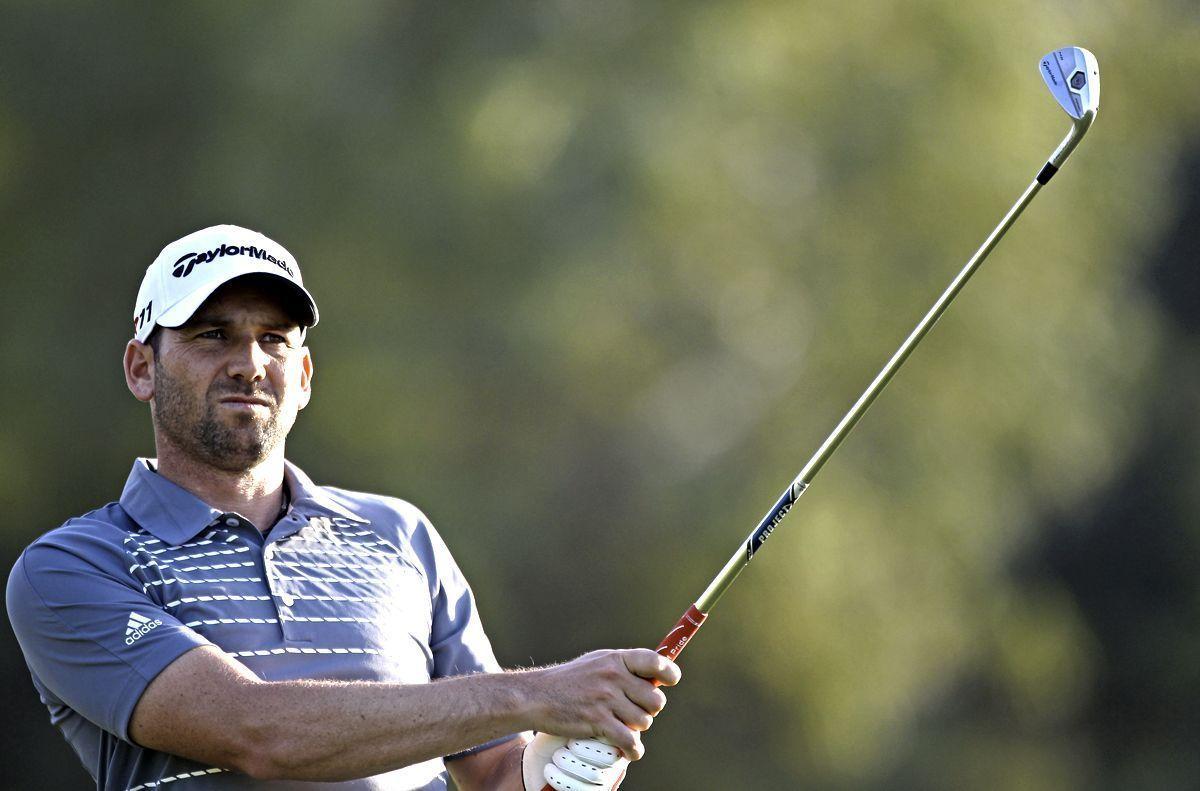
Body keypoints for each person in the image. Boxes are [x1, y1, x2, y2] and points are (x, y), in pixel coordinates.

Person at [6, 225, 680, 791]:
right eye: (213, 334)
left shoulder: (400, 534)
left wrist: (563, 757)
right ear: (141, 368)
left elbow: (495, 770)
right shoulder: (72, 568)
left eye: (275, 338)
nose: (248, 362)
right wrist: (541, 693)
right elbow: (259, 730)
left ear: (302, 376)